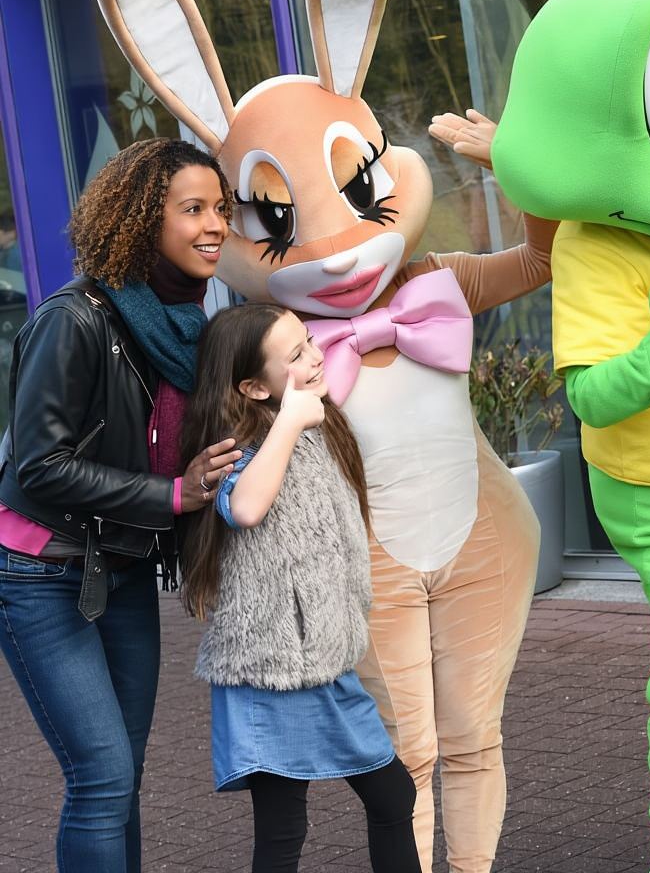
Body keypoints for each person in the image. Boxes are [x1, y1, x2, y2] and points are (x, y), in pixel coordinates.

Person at [0, 138, 241, 872]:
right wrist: (171, 494)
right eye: (193, 209)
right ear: (143, 219)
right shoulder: (74, 320)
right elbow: (39, 466)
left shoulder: (188, 327)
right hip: (43, 576)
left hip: (123, 568)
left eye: (222, 210)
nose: (215, 226)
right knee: (101, 777)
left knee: (122, 779)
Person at [179, 302, 420, 873]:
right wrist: (289, 421)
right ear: (252, 388)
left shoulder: (316, 423)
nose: (315, 357)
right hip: (271, 666)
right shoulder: (241, 445)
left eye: (309, 342)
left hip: (319, 656)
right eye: (294, 356)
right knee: (292, 824)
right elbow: (245, 506)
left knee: (371, 803)